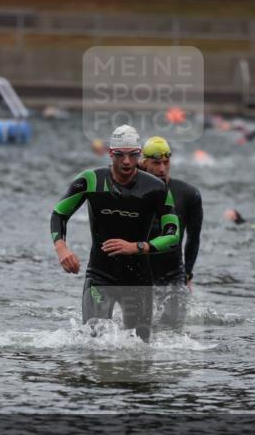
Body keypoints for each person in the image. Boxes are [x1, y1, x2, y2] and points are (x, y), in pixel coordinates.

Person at [51, 125, 179, 342]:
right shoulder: (91, 180)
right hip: (100, 275)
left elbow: (173, 234)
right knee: (94, 343)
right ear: (111, 154)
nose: (126, 162)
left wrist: (138, 247)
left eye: (132, 155)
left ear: (139, 155)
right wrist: (61, 248)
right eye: (120, 155)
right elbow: (59, 213)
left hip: (138, 279)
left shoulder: (156, 188)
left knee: (139, 350)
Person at [140, 136, 203, 328]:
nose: (161, 169)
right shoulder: (132, 191)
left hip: (173, 274)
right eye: (156, 163)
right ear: (144, 163)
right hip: (141, 273)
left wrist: (188, 274)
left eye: (166, 163)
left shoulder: (188, 194)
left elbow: (193, 237)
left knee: (173, 332)